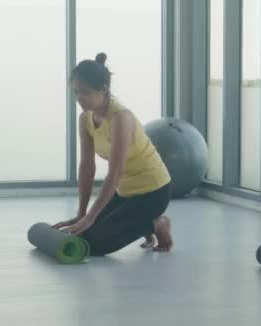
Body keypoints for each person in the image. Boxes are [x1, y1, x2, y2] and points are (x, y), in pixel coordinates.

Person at [53, 53, 173, 254]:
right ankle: (140, 223)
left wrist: (91, 216)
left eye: (86, 93)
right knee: (82, 234)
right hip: (126, 192)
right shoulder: (86, 119)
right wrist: (82, 213)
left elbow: (114, 172)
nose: (79, 99)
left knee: (96, 245)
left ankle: (158, 224)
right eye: (75, 92)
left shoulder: (120, 118)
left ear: (104, 91)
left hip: (153, 191)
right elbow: (87, 167)